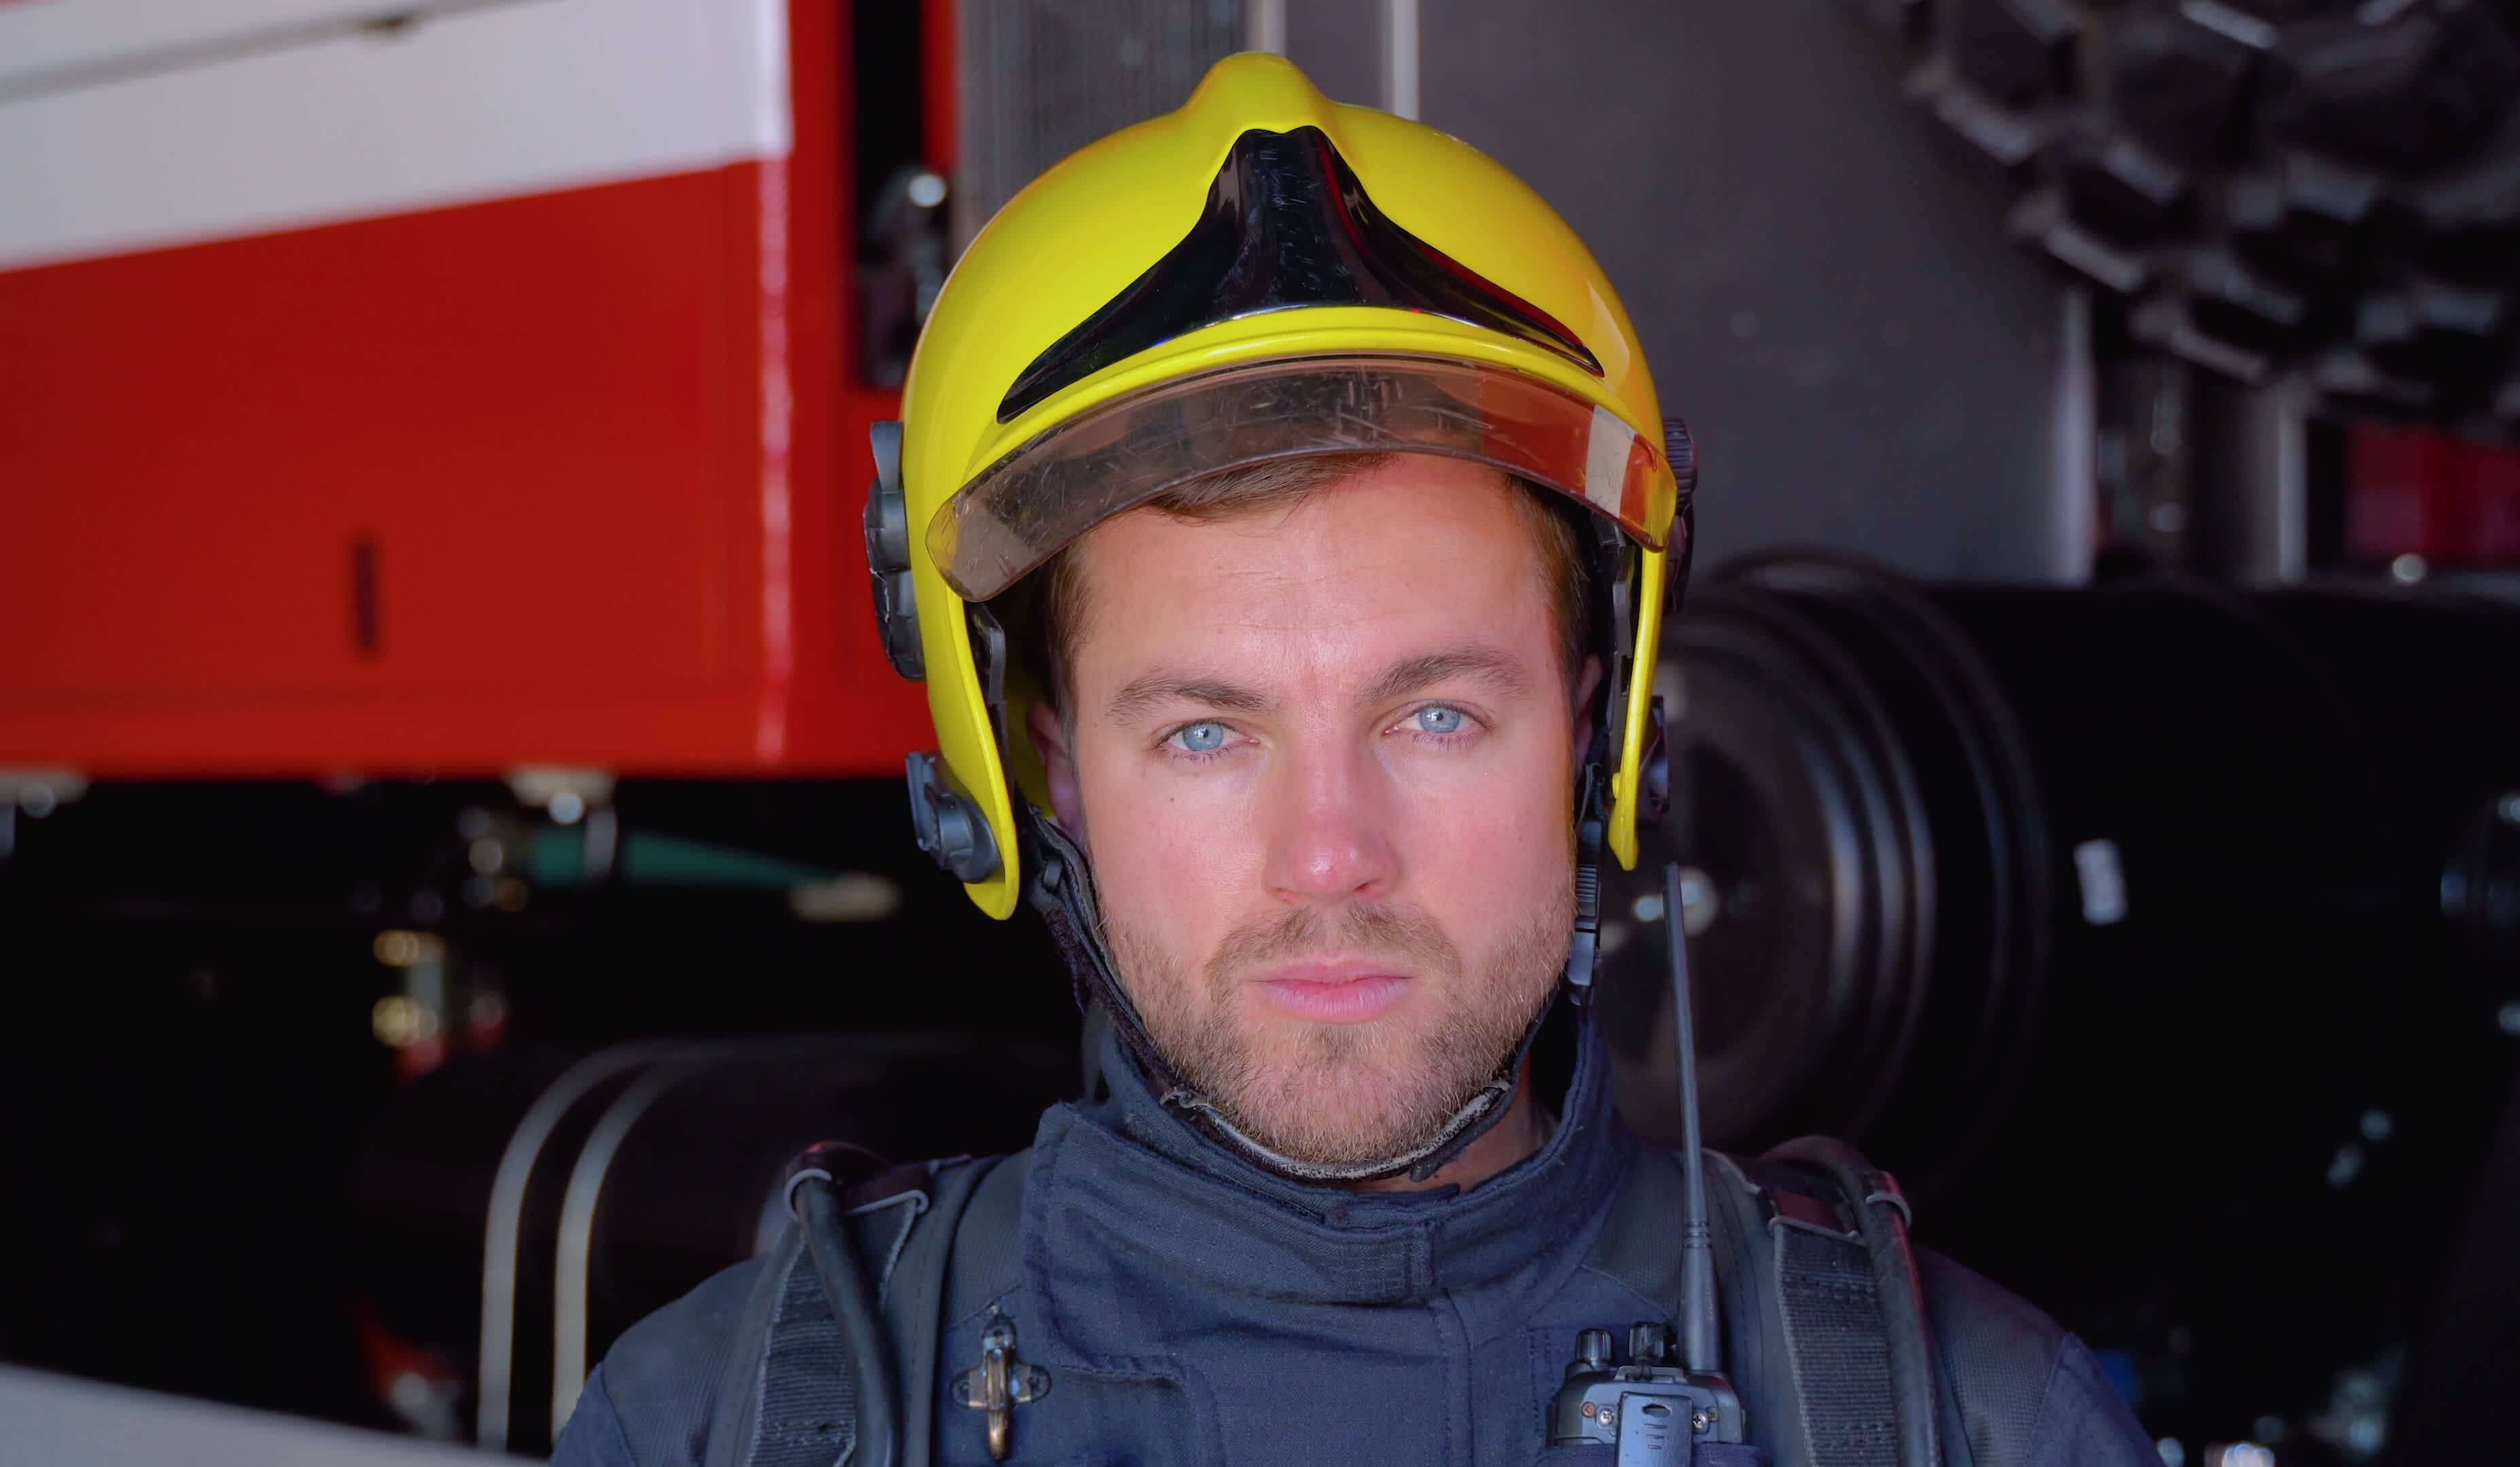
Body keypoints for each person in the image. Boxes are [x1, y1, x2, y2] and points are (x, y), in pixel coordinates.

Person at [553, 53, 2157, 1467]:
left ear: (1600, 738)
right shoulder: (715, 1427)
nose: (1330, 853)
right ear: (1044, 776)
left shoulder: (1969, 1424)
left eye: (1433, 715)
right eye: (1205, 732)